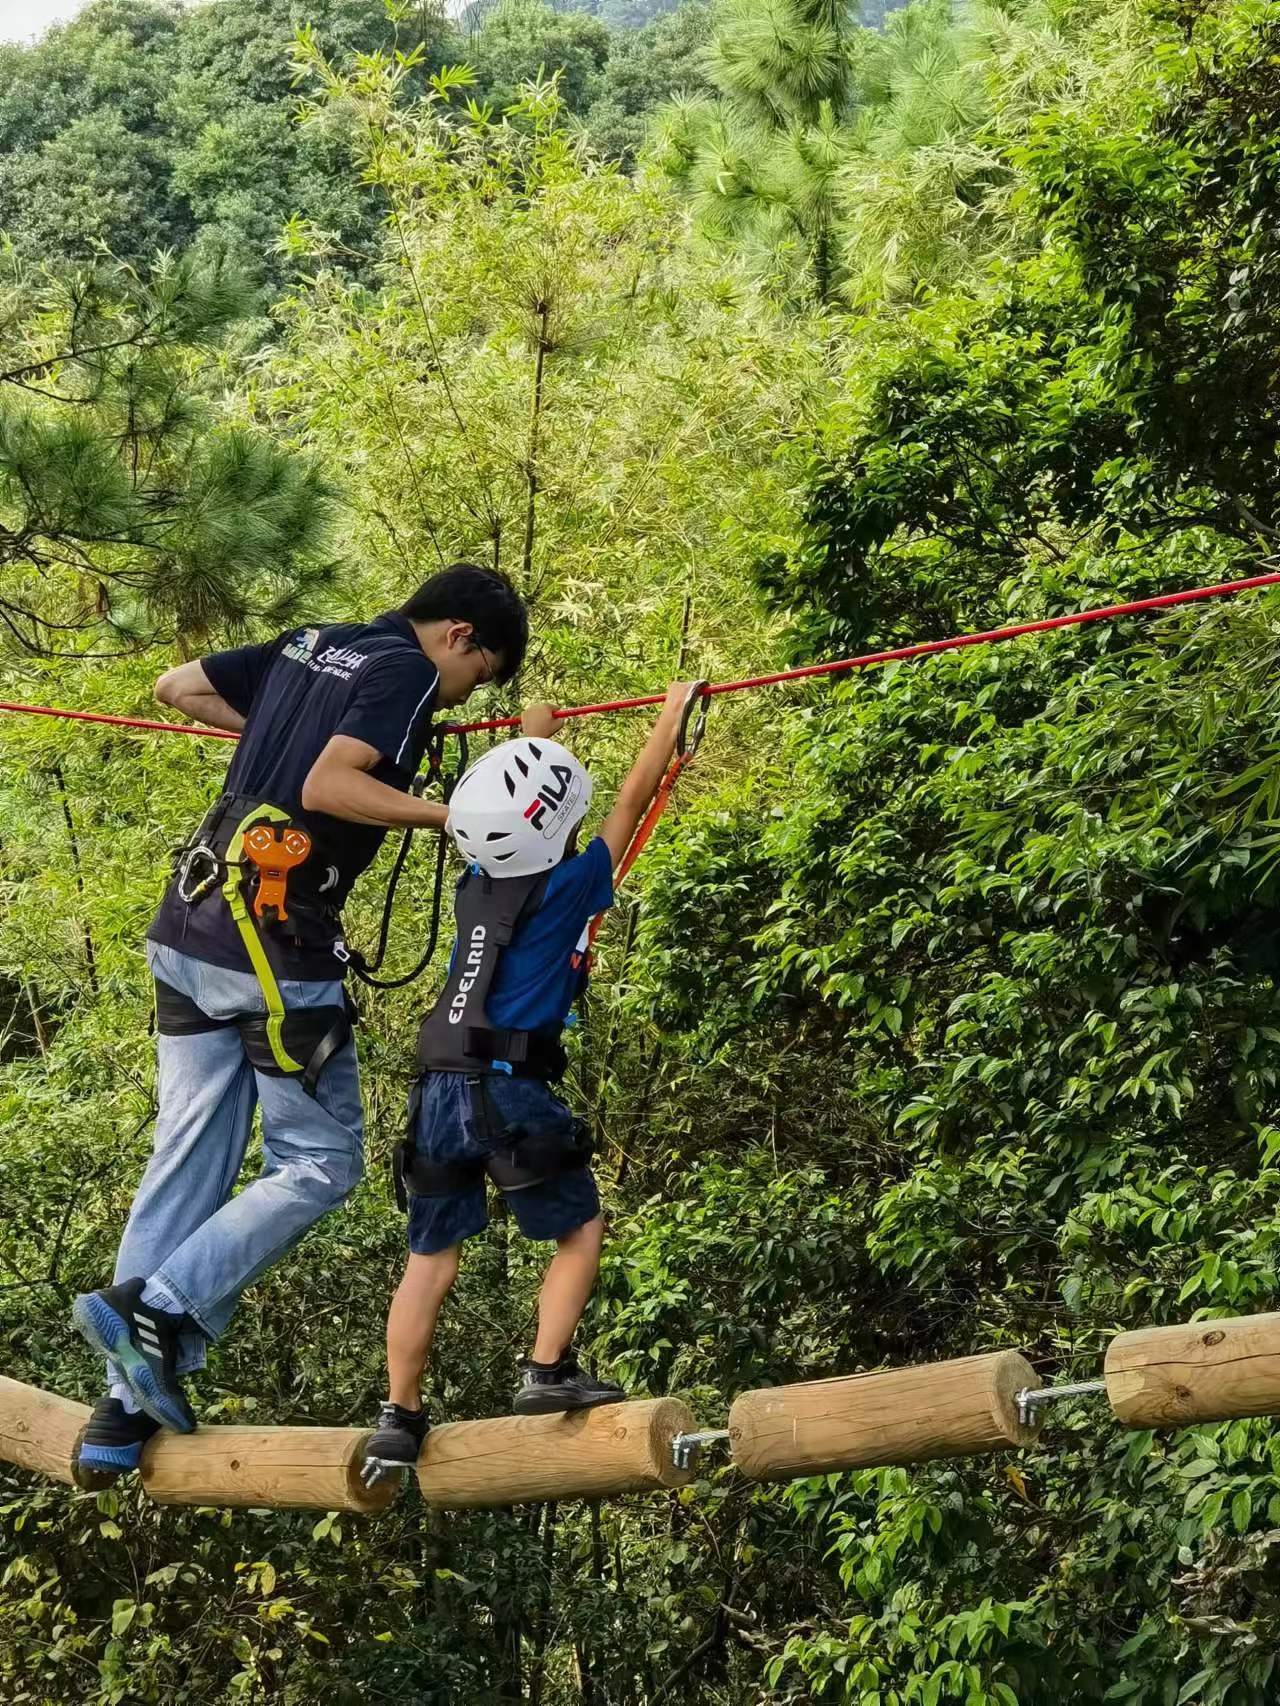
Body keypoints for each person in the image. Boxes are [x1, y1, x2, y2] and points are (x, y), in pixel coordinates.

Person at [71, 564, 529, 1476]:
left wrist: (286, 731)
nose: (465, 694)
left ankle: (120, 1415)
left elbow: (178, 687)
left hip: (189, 927)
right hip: (272, 943)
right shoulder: (405, 671)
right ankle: (155, 1306)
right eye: (478, 676)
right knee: (322, 1161)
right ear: (460, 637)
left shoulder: (313, 643)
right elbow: (329, 787)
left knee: (187, 1153)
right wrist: (454, 817)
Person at [363, 682, 691, 1478]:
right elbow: (631, 800)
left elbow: (513, 814)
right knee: (581, 1230)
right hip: (508, 1089)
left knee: (430, 1260)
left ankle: (398, 1415)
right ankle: (547, 1370)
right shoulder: (570, 885)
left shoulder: (476, 875)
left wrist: (533, 731)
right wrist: (671, 714)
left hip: (436, 1091)